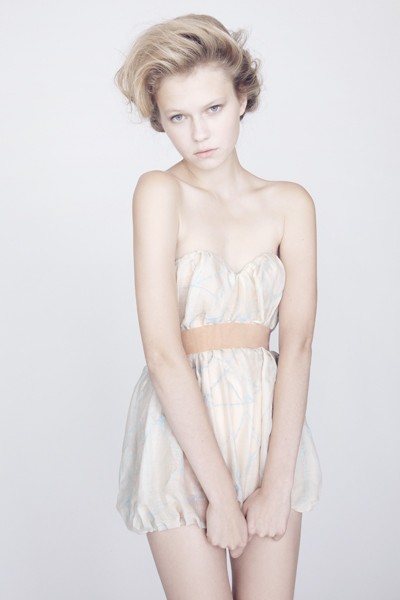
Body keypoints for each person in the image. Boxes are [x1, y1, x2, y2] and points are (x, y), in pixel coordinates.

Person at [115, 13, 322, 600]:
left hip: (268, 429)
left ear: (242, 99)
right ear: (160, 121)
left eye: (213, 109)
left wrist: (277, 481)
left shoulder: (290, 204)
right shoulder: (160, 192)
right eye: (178, 117)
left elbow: (298, 345)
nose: (199, 133)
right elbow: (162, 351)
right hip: (181, 432)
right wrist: (222, 496)